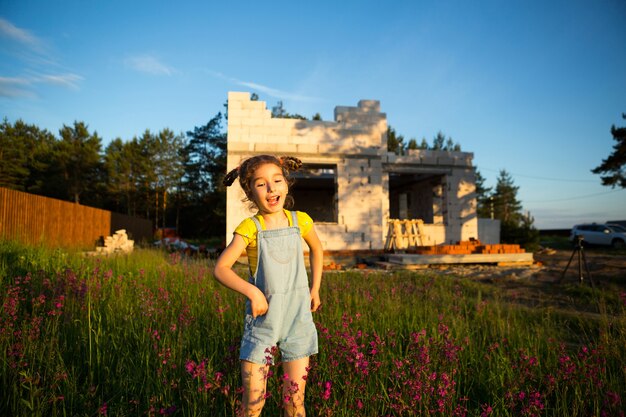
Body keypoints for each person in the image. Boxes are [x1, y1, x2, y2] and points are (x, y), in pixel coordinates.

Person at [214, 154, 323, 417]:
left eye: (276, 180)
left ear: (286, 184)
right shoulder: (250, 227)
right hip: (263, 324)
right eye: (261, 184)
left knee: (295, 403)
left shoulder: (301, 221)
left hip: (298, 320)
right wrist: (252, 292)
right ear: (250, 193)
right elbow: (220, 269)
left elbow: (318, 250)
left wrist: (315, 288)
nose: (271, 188)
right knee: (253, 405)